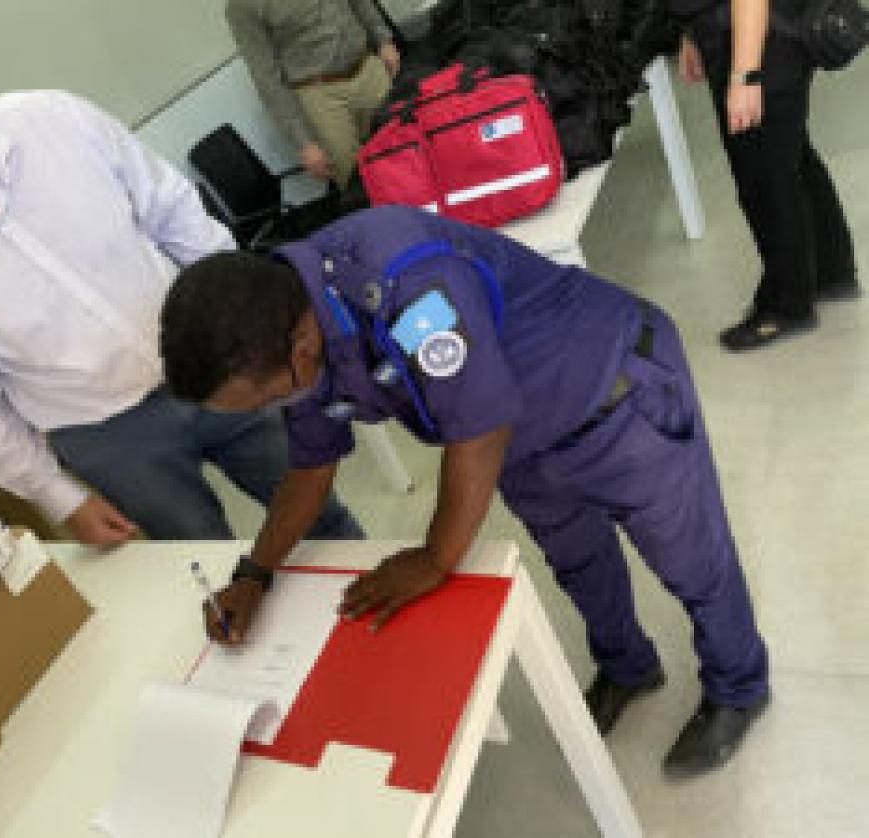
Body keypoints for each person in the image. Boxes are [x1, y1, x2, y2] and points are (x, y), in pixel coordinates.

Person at [160, 205, 771, 777]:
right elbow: (311, 468)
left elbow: (477, 432)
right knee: (580, 564)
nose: (276, 407)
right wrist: (256, 573)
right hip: (524, 445)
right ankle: (627, 667)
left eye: (269, 398)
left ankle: (739, 686)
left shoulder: (405, 280)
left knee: (690, 560)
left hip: (613, 398)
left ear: (299, 351)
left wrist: (434, 559)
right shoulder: (292, 331)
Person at [0, 66, 361, 545]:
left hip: (215, 358)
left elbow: (173, 213)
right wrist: (60, 497)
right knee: (200, 561)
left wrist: (251, 320)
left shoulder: (51, 122)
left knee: (314, 509)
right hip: (107, 434)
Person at [675, 0, 858, 350]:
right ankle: (830, 270)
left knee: (763, 177)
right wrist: (692, 33)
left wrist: (745, 75)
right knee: (788, 157)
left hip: (757, 40)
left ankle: (788, 306)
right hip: (753, 34)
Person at [226, 0, 400, 187]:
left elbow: (360, 3)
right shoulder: (242, 7)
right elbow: (267, 78)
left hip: (368, 70)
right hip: (320, 96)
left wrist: (384, 41)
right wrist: (304, 143)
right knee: (357, 180)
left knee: (405, 148)